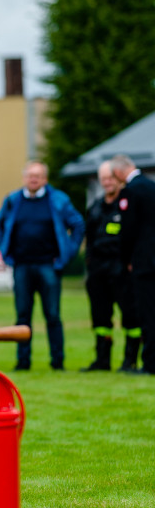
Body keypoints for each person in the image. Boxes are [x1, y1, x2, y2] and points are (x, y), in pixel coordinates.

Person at [0, 161, 85, 371]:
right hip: (22, 266)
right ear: (24, 177)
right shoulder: (13, 200)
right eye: (30, 175)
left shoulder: (58, 200)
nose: (33, 179)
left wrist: (67, 254)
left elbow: (78, 225)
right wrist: (6, 252)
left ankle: (57, 362)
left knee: (52, 316)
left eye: (38, 176)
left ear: (45, 179)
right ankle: (23, 362)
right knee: (22, 316)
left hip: (49, 266)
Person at [81, 161, 140, 371]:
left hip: (121, 268)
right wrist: (89, 263)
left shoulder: (127, 204)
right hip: (98, 270)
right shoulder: (96, 207)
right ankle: (102, 360)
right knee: (100, 317)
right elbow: (88, 238)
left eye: (111, 178)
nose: (107, 182)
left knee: (131, 315)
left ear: (119, 179)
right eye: (103, 179)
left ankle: (130, 359)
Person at [110, 154, 155, 375]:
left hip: (144, 262)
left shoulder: (130, 192)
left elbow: (127, 231)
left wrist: (126, 259)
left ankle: (150, 363)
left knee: (148, 312)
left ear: (118, 173)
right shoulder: (151, 186)